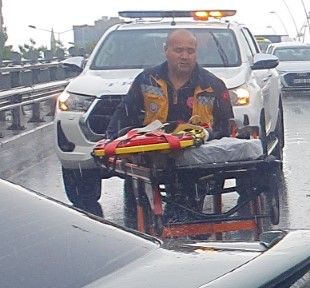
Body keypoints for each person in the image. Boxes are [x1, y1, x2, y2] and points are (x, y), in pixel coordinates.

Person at [86, 29, 235, 217]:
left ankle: (188, 232)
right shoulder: (146, 80)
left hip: (195, 159)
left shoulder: (214, 84)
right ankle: (140, 230)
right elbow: (124, 114)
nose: (185, 56)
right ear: (166, 50)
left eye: (190, 51)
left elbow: (226, 126)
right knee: (137, 198)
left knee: (188, 211)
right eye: (178, 50)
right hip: (150, 156)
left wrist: (207, 136)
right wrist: (112, 140)